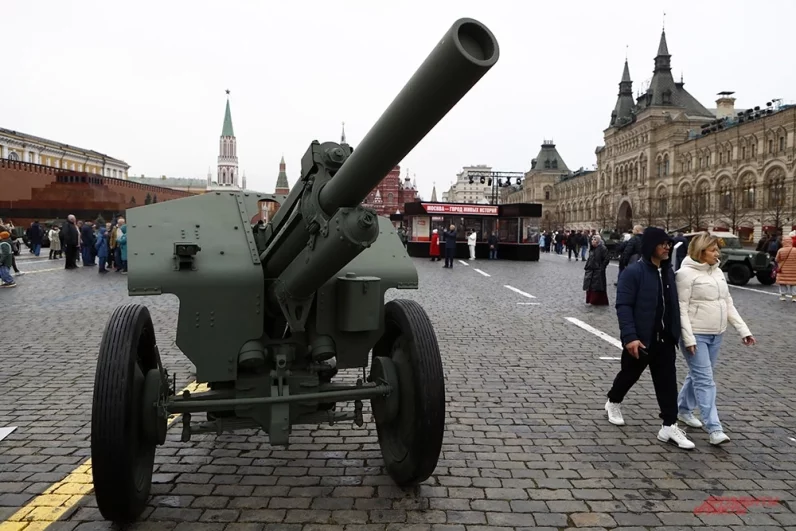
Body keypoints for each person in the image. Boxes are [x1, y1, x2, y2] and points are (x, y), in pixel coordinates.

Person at [605, 227, 694, 449]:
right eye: (662, 243)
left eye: (668, 244)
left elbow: (674, 306)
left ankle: (669, 425)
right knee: (629, 375)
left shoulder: (668, 273)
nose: (667, 247)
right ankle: (613, 401)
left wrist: (677, 333)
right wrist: (630, 337)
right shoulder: (633, 273)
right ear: (650, 245)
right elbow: (623, 306)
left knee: (667, 384)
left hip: (664, 339)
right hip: (641, 339)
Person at [675, 232, 756, 446]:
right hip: (696, 334)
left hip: (716, 333)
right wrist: (688, 338)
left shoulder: (718, 271)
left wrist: (743, 330)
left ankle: (683, 409)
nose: (717, 253)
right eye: (713, 250)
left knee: (698, 375)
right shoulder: (684, 274)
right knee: (705, 380)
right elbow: (681, 309)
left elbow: (727, 302)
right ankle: (714, 428)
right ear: (701, 252)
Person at [583, 234, 610, 305]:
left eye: (594, 240)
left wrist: (602, 267)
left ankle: (597, 301)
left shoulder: (602, 248)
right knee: (590, 286)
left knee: (597, 286)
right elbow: (590, 258)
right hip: (590, 270)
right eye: (592, 240)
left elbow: (606, 259)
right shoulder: (592, 248)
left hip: (598, 270)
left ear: (597, 241)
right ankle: (590, 300)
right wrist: (587, 266)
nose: (592, 241)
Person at [775, 230, 796, 301]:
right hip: (794, 270)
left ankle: (783, 296)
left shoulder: (780, 250)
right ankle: (794, 297)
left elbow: (777, 259)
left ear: (783, 242)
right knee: (794, 283)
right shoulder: (795, 250)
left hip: (783, 269)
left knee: (782, 283)